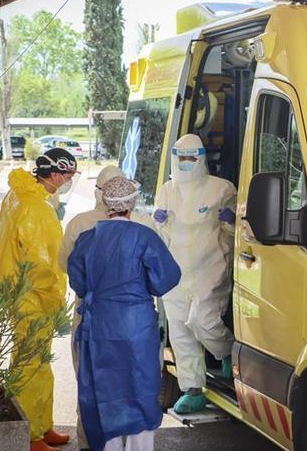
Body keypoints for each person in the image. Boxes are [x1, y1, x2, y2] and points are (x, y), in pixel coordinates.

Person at [68, 176, 181, 451]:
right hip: (136, 328)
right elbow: (166, 279)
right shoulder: (145, 237)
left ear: (106, 203)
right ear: (131, 205)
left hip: (99, 327)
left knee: (103, 391)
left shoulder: (87, 239)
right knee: (139, 389)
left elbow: (79, 284)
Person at [58, 165, 147, 451]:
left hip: (91, 318)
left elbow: (66, 267)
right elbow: (165, 276)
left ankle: (90, 444)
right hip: (134, 321)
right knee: (133, 384)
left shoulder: (80, 225)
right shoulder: (144, 226)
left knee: (90, 384)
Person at [0, 148, 77, 451]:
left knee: (37, 362)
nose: (69, 181)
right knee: (31, 365)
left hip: (18, 290)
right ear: (55, 174)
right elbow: (44, 263)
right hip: (33, 296)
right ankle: (30, 436)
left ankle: (42, 427)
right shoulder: (38, 210)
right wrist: (55, 299)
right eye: (68, 176)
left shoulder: (17, 195)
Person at [153, 134, 237, 415]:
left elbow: (239, 233)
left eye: (192, 158)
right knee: (180, 331)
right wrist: (159, 223)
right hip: (175, 270)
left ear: (202, 158)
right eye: (181, 158)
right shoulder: (167, 190)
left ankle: (225, 351)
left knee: (202, 320)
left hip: (210, 266)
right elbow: (159, 232)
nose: (186, 163)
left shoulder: (221, 189)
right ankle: (193, 389)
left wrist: (230, 224)